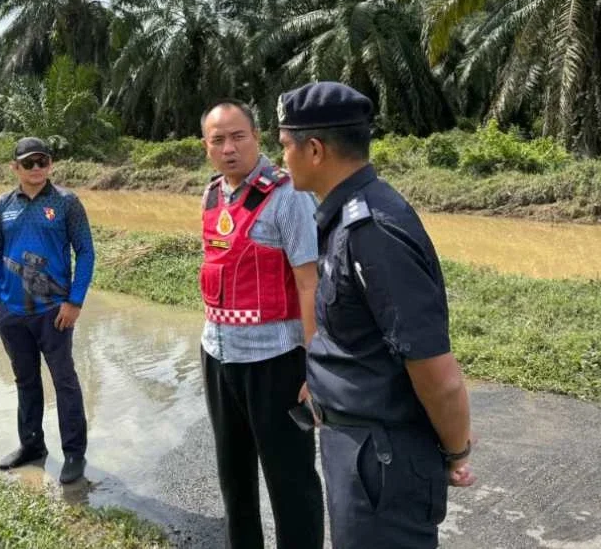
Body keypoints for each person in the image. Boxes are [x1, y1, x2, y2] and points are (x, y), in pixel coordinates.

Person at [277, 81, 476, 548]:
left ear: (315, 149)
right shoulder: (343, 215)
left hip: (383, 462)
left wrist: (455, 449)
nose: (280, 157)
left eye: (284, 145)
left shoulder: (374, 232)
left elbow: (438, 374)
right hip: (358, 448)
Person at [198, 99, 324, 549]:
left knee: (290, 481)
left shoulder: (289, 197)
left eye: (238, 136)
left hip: (276, 361)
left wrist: (314, 366)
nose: (229, 148)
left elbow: (309, 284)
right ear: (206, 146)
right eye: (218, 140)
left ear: (257, 138)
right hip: (218, 354)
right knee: (233, 477)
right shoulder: (212, 194)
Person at [0, 137, 95, 484]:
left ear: (50, 164)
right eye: (29, 163)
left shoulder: (66, 203)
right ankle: (32, 447)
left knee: (65, 380)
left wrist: (75, 301)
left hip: (54, 311)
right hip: (12, 313)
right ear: (14, 167)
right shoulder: (2, 206)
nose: (36, 169)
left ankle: (74, 454)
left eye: (42, 162)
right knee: (26, 380)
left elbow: (86, 252)